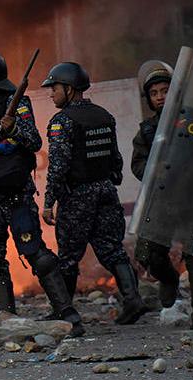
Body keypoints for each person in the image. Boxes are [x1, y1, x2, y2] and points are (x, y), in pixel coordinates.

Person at [0, 50, 84, 337]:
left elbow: (33, 141)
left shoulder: (17, 102)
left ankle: (68, 313)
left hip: (16, 194)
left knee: (36, 254)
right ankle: (7, 320)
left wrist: (14, 131)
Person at [41, 62, 148, 326]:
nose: (51, 93)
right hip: (106, 191)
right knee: (112, 250)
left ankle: (64, 312)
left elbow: (58, 166)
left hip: (77, 195)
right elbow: (115, 159)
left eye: (54, 88)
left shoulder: (62, 121)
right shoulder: (104, 115)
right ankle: (133, 299)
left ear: (69, 88)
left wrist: (48, 202)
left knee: (68, 257)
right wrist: (110, 182)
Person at [131, 60, 193, 328]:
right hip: (163, 200)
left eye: (164, 91)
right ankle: (169, 279)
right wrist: (154, 172)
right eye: (154, 94)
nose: (159, 97)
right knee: (149, 252)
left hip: (192, 197)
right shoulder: (146, 130)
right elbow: (138, 164)